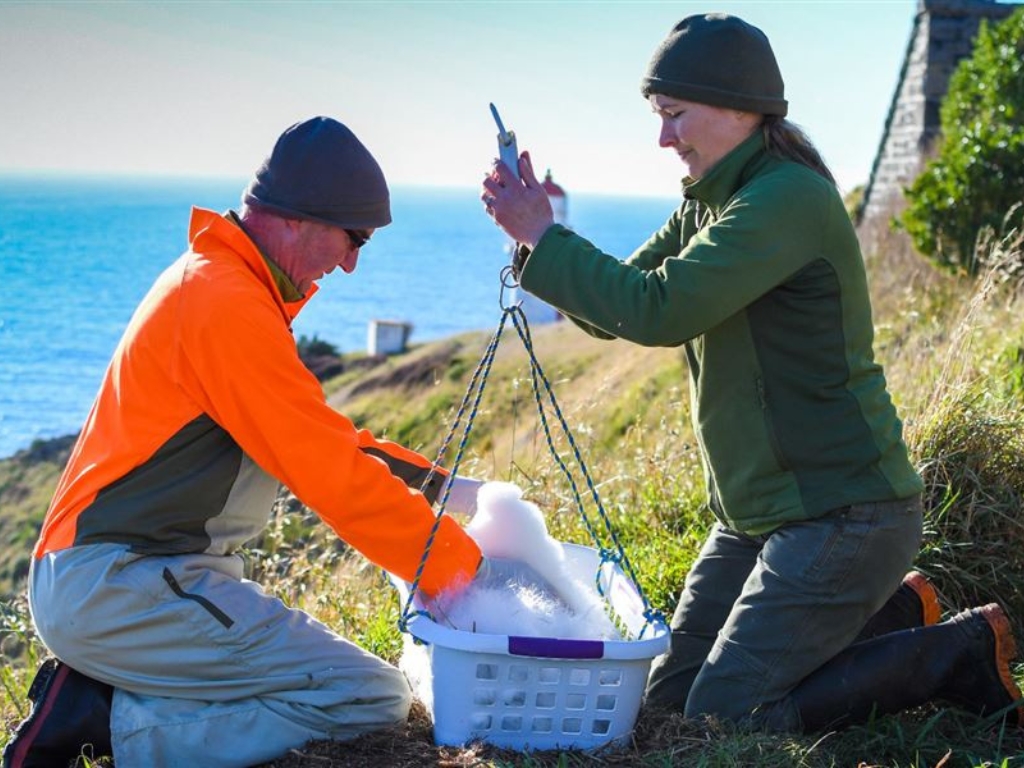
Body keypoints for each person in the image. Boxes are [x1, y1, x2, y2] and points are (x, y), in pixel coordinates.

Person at [479, 14, 1024, 732]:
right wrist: (537, 245)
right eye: (658, 117)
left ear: (740, 109)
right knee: (666, 709)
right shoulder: (711, 200)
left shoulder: (784, 200)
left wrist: (544, 236)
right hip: (758, 520)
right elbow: (615, 308)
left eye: (674, 116)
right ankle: (894, 612)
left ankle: (956, 652)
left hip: (844, 514)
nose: (663, 138)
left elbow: (658, 310)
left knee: (726, 717)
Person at [2, 116, 549, 768]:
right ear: (299, 218)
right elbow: (331, 478)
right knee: (365, 697)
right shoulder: (222, 303)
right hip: (117, 586)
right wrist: (472, 580)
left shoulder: (224, 287)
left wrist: (452, 489)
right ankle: (99, 723)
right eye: (355, 240)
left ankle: (114, 692)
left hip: (132, 579)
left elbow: (325, 439)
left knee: (339, 687)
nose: (349, 263)